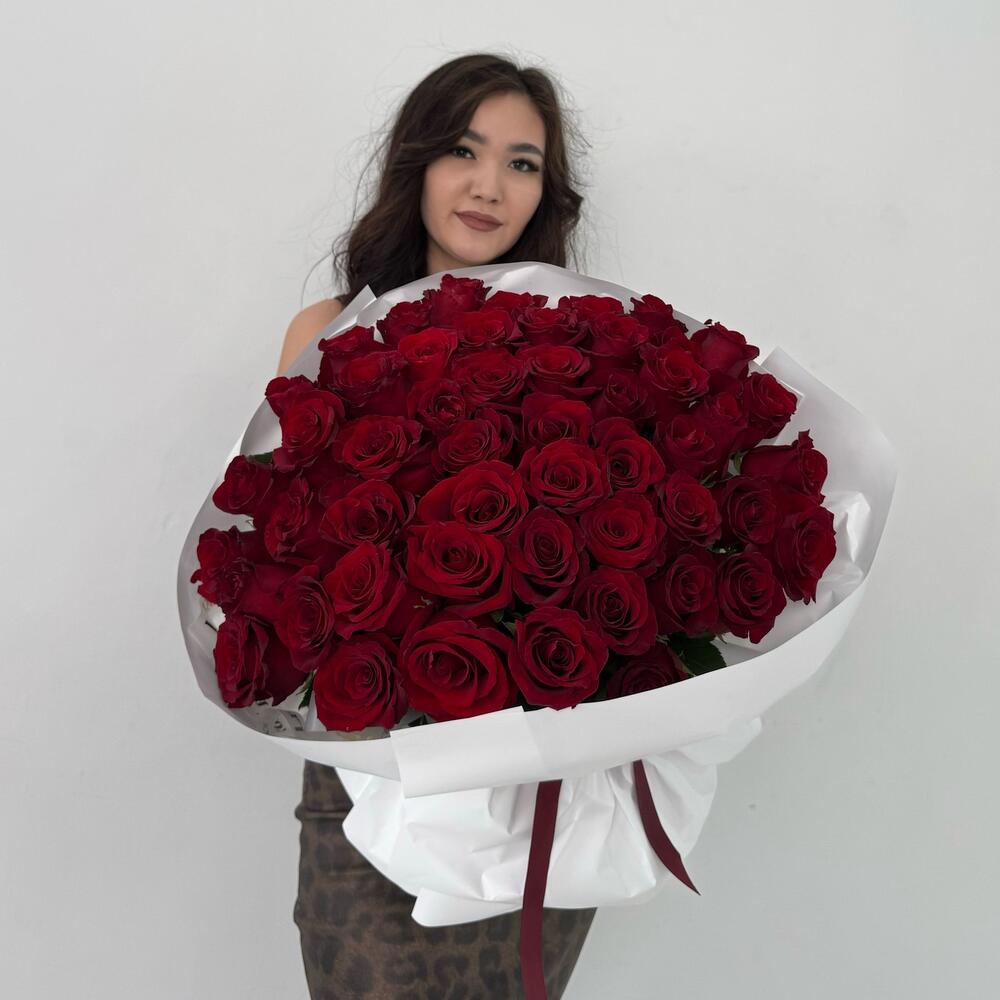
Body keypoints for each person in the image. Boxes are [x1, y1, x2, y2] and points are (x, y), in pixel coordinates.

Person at [276, 52, 596, 999]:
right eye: (464, 150)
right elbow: (288, 537)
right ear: (416, 162)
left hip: (527, 791)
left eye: (522, 163)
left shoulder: (575, 337)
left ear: (544, 193)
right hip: (373, 772)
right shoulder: (329, 329)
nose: (489, 186)